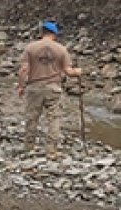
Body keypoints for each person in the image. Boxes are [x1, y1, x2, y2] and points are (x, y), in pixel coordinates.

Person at [16, 21, 82, 159]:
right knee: (54, 118)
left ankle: (29, 148)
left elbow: (23, 70)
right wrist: (78, 72)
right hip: (53, 87)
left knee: (32, 117)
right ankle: (51, 151)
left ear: (41, 32)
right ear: (55, 34)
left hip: (34, 87)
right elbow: (68, 71)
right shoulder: (61, 49)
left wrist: (21, 86)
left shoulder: (30, 48)